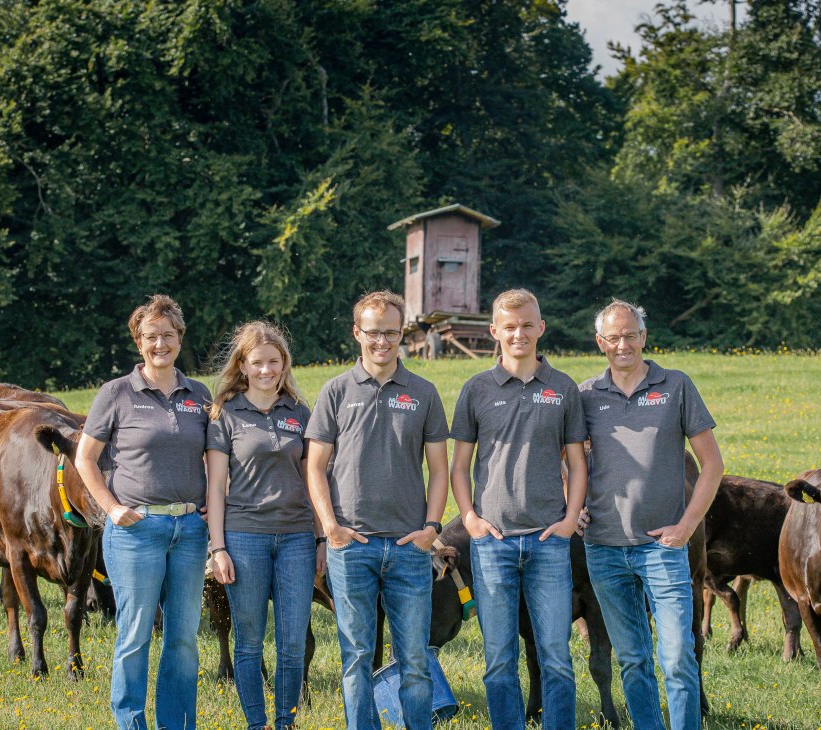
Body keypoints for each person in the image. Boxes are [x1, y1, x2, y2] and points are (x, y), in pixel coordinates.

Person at [306, 290, 450, 730]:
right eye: (373, 332)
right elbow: (314, 467)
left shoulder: (423, 392)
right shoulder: (335, 391)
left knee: (415, 659)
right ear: (357, 333)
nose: (382, 341)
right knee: (356, 659)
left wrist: (431, 528)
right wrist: (330, 528)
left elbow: (440, 470)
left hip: (409, 546)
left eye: (391, 332)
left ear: (402, 332)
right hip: (352, 546)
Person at [579, 299, 722, 730]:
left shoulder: (675, 386)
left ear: (644, 337)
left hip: (662, 547)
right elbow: (570, 460)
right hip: (603, 547)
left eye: (631, 335)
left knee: (678, 656)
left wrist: (686, 525)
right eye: (613, 337)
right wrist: (576, 505)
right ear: (600, 341)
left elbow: (712, 465)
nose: (623, 344)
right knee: (632, 660)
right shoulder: (585, 394)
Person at [450, 288, 588, 730]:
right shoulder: (476, 390)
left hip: (549, 542)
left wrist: (570, 519)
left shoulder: (563, 388)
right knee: (498, 660)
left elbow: (578, 463)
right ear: (495, 331)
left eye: (527, 325)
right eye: (509, 327)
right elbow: (459, 467)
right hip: (493, 544)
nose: (519, 334)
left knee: (557, 658)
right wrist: (469, 519)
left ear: (541, 328)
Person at [76, 294, 213, 730]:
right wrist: (112, 509)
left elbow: (213, 457)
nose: (160, 344)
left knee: (184, 639)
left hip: (190, 530)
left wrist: (209, 506)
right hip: (138, 530)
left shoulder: (199, 394)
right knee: (134, 636)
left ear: (179, 338)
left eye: (168, 335)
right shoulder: (115, 393)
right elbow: (85, 459)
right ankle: (130, 723)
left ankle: (177, 724)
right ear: (139, 341)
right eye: (151, 336)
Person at [205, 321, 322, 730]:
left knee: (292, 643)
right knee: (250, 642)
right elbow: (215, 487)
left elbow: (313, 480)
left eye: (274, 361)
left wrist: (320, 537)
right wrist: (218, 547)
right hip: (244, 537)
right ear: (242, 365)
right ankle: (257, 723)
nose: (267, 370)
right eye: (257, 362)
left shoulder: (300, 413)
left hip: (296, 538)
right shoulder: (225, 414)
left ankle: (285, 721)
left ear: (285, 364)